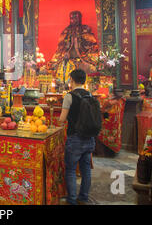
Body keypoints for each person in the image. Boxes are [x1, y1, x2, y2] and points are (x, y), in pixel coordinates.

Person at [59, 69, 96, 205]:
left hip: (75, 138)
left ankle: (72, 200)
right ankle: (84, 198)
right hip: (89, 138)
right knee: (86, 169)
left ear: (72, 80)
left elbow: (62, 119)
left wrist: (57, 122)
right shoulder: (90, 95)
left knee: (70, 170)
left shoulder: (69, 96)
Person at [48, 11, 99, 84]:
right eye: (72, 18)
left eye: (76, 18)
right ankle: (62, 85)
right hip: (67, 59)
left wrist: (79, 39)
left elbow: (92, 46)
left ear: (80, 18)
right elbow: (60, 47)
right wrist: (65, 53)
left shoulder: (85, 29)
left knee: (91, 68)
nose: (74, 20)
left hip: (82, 58)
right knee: (54, 66)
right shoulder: (66, 31)